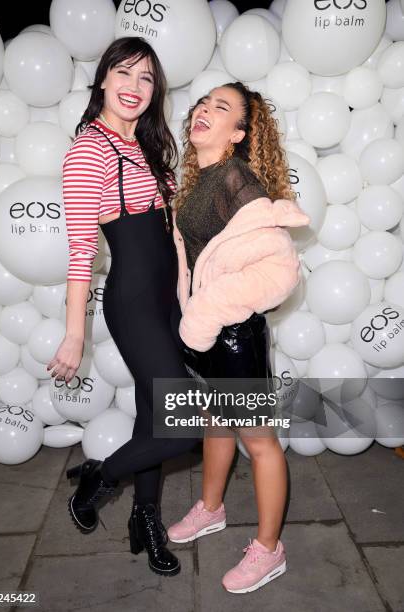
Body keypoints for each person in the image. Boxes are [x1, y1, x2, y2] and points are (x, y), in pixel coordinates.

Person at [46, 37, 200, 578]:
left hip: (169, 303)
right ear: (103, 81)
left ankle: (146, 521)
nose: (135, 87)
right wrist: (74, 334)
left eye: (146, 78)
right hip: (133, 302)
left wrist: (188, 297)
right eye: (124, 73)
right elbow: (81, 250)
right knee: (184, 427)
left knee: (156, 418)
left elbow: (174, 234)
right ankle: (100, 479)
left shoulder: (150, 148)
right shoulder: (89, 150)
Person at [166, 81, 311, 593]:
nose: (205, 110)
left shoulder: (236, 179)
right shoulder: (200, 179)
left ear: (240, 133)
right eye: (203, 103)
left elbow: (281, 269)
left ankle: (270, 551)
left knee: (260, 442)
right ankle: (211, 509)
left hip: (233, 338)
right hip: (207, 335)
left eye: (221, 108)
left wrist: (207, 309)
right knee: (214, 425)